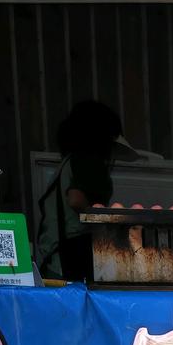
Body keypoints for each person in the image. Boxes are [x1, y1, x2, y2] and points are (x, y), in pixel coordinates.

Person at [36, 100, 137, 281]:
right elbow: (75, 199)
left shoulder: (68, 163)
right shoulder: (86, 160)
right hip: (67, 259)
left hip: (53, 257)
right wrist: (103, 221)